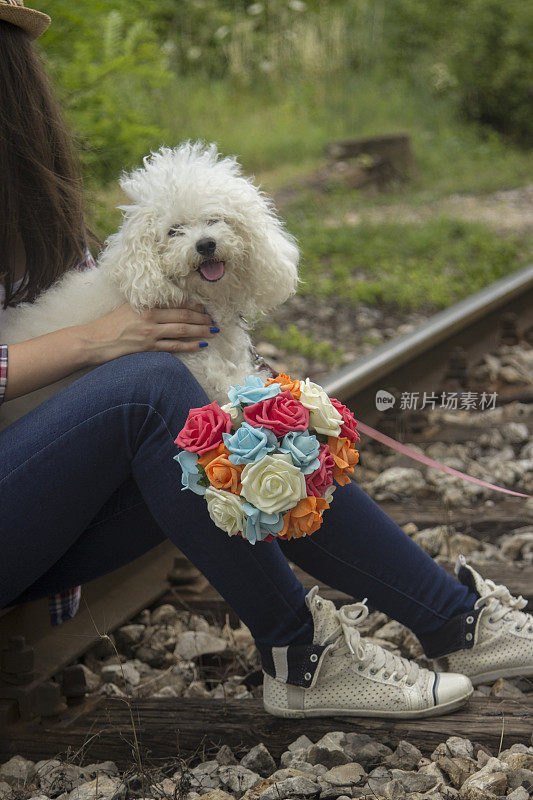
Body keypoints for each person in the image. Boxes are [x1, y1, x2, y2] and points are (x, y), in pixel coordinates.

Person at [1, 2, 531, 720]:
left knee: (253, 422)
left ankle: (456, 622)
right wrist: (99, 342)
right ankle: (304, 655)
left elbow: (117, 302)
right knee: (151, 390)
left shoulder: (24, 207)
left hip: (36, 513)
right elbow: (109, 340)